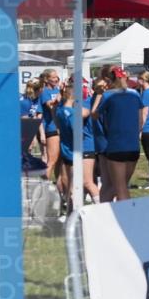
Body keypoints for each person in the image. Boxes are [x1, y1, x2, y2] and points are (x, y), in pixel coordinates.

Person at [94, 67, 145, 202]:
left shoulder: (108, 95)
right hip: (133, 145)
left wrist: (99, 94)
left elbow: (95, 114)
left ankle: (126, 219)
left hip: (116, 145)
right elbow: (140, 120)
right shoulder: (135, 94)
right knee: (121, 187)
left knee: (120, 188)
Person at [54, 80, 99, 209]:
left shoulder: (62, 110)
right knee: (75, 183)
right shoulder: (70, 111)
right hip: (74, 149)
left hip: (80, 149)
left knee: (85, 182)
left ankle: (100, 210)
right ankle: (72, 212)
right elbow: (76, 130)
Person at [39, 69, 63, 182]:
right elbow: (51, 107)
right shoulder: (44, 92)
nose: (56, 79)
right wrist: (59, 97)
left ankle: (61, 190)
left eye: (56, 77)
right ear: (46, 79)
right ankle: (41, 187)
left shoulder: (58, 89)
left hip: (61, 127)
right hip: (51, 127)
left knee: (60, 162)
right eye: (53, 77)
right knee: (52, 160)